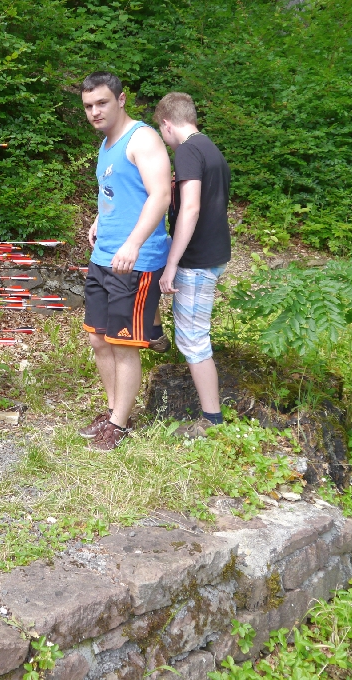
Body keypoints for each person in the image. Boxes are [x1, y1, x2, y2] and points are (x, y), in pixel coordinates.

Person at [78, 71, 172, 451]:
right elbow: (116, 191)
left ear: (121, 99)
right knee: (98, 339)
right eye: (88, 106)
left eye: (101, 102)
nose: (95, 112)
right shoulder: (107, 144)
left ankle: (119, 424)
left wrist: (133, 244)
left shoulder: (142, 138)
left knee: (123, 343)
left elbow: (160, 194)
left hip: (135, 260)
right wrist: (99, 219)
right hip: (104, 256)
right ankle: (114, 408)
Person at [154, 92, 231, 437]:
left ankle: (212, 420)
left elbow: (191, 208)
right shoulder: (210, 148)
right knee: (192, 335)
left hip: (197, 259)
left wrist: (172, 263)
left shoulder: (187, 150)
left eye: (161, 131)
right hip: (213, 253)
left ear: (167, 124)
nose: (164, 138)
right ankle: (153, 334)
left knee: (193, 340)